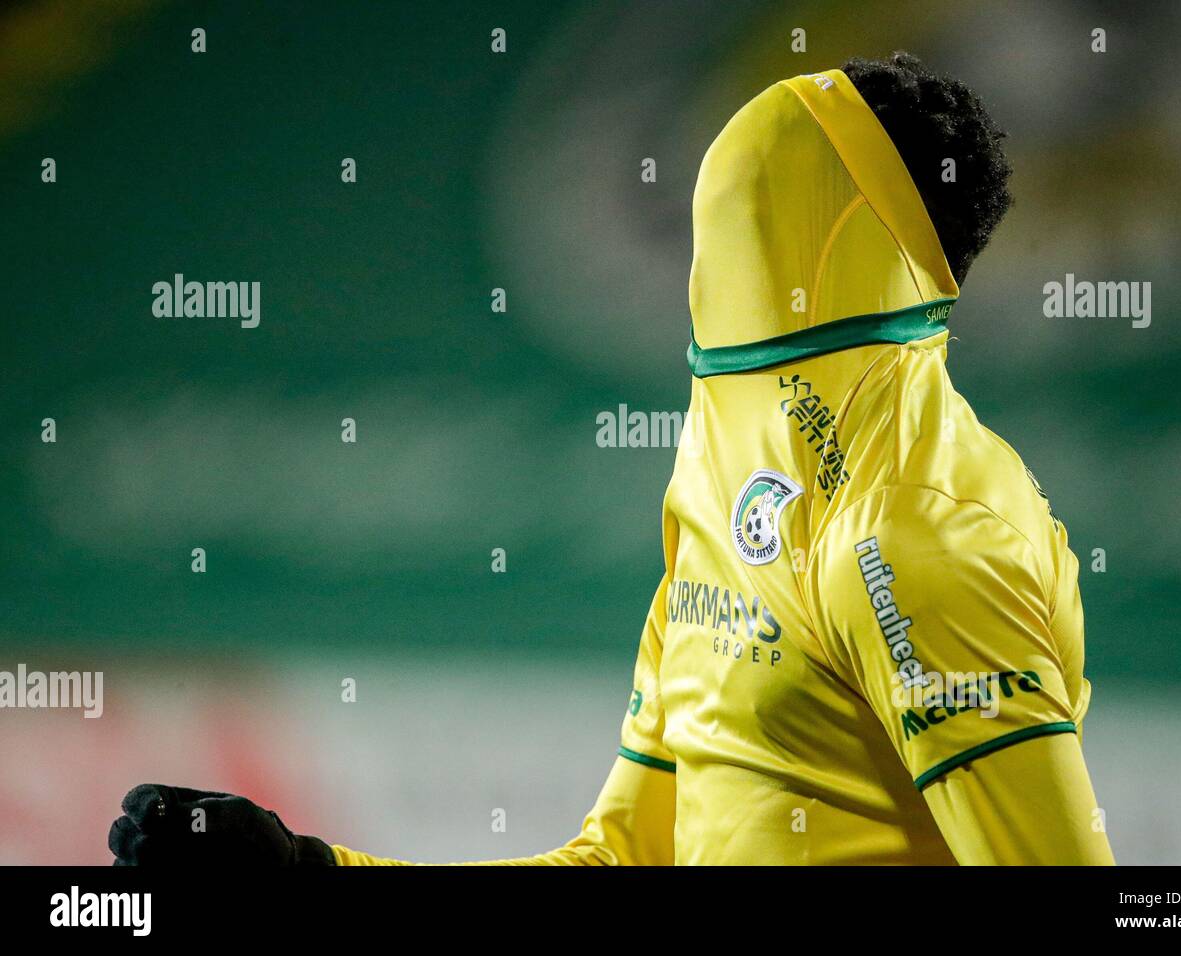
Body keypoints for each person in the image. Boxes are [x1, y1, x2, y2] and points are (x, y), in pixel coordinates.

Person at [110, 53, 1114, 866]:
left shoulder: (914, 528)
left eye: (728, 197)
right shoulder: (717, 487)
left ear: (814, 229)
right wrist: (308, 873)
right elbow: (621, 856)